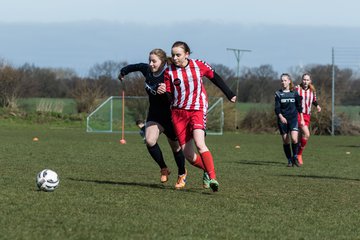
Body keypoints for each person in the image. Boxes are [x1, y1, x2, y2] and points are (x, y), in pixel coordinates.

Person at [160, 41, 236, 192]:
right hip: (178, 114)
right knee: (188, 155)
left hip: (197, 109)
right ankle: (207, 170)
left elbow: (215, 77)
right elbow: (169, 97)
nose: (175, 58)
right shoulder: (168, 72)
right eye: (173, 55)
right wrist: (163, 92)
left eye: (178, 55)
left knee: (200, 144)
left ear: (187, 54)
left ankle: (213, 178)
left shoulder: (198, 65)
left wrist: (229, 93)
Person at [118, 48, 186, 188]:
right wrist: (123, 72)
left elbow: (176, 94)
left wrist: (166, 92)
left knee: (176, 148)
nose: (151, 63)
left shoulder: (169, 73)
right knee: (149, 140)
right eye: (150, 60)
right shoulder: (147, 70)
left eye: (154, 61)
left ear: (162, 62)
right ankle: (164, 168)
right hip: (155, 115)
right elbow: (135, 66)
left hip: (170, 116)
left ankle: (181, 173)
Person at [274, 73, 304, 167]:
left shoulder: (294, 93)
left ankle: (295, 156)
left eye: (285, 80)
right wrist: (281, 117)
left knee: (295, 139)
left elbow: (299, 107)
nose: (283, 82)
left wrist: (302, 119)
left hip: (293, 119)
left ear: (289, 81)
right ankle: (289, 160)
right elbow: (277, 108)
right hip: (282, 120)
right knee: (286, 141)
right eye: (282, 80)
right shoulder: (278, 94)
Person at [295, 73, 321, 165]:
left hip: (307, 115)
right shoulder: (297, 89)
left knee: (299, 137)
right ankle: (299, 155)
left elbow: (313, 100)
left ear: (310, 81)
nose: (305, 81)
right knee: (306, 134)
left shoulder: (312, 90)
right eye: (304, 79)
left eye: (307, 80)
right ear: (302, 80)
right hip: (298, 114)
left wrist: (317, 106)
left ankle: (295, 156)